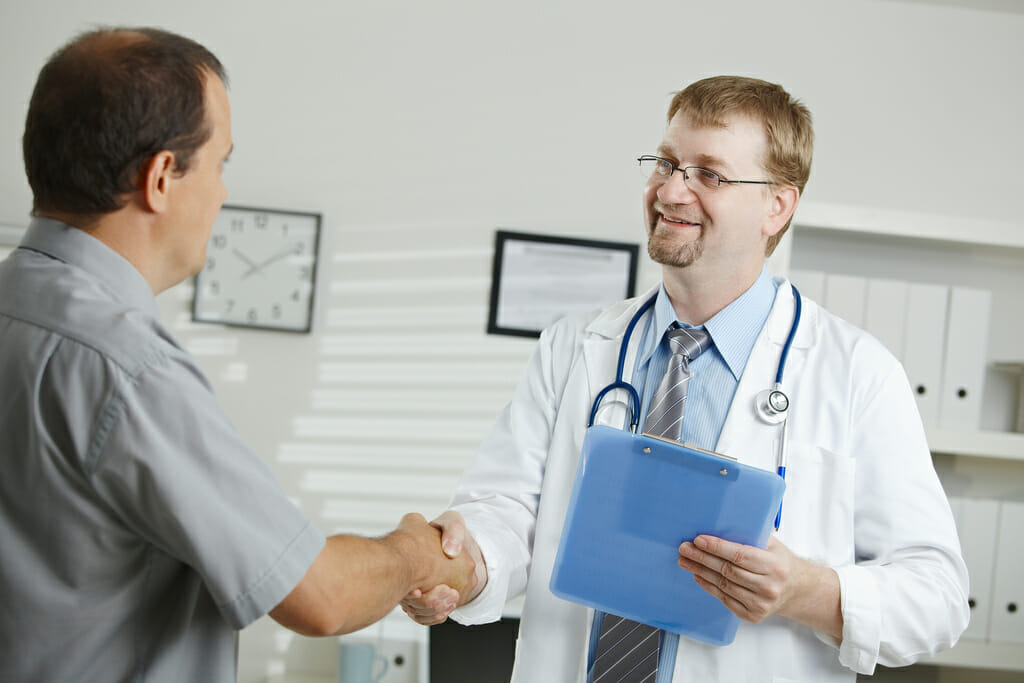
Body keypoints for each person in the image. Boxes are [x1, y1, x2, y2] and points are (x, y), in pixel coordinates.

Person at [401, 76, 969, 682]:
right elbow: (507, 513)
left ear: (778, 204)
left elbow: (937, 596)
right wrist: (464, 567)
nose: (672, 190)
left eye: (710, 174)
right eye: (667, 163)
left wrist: (807, 590)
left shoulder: (858, 373)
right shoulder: (574, 347)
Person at [0, 27, 474, 682]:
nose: (222, 192)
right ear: (162, 177)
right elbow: (321, 595)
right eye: (220, 164)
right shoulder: (129, 368)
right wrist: (417, 551)